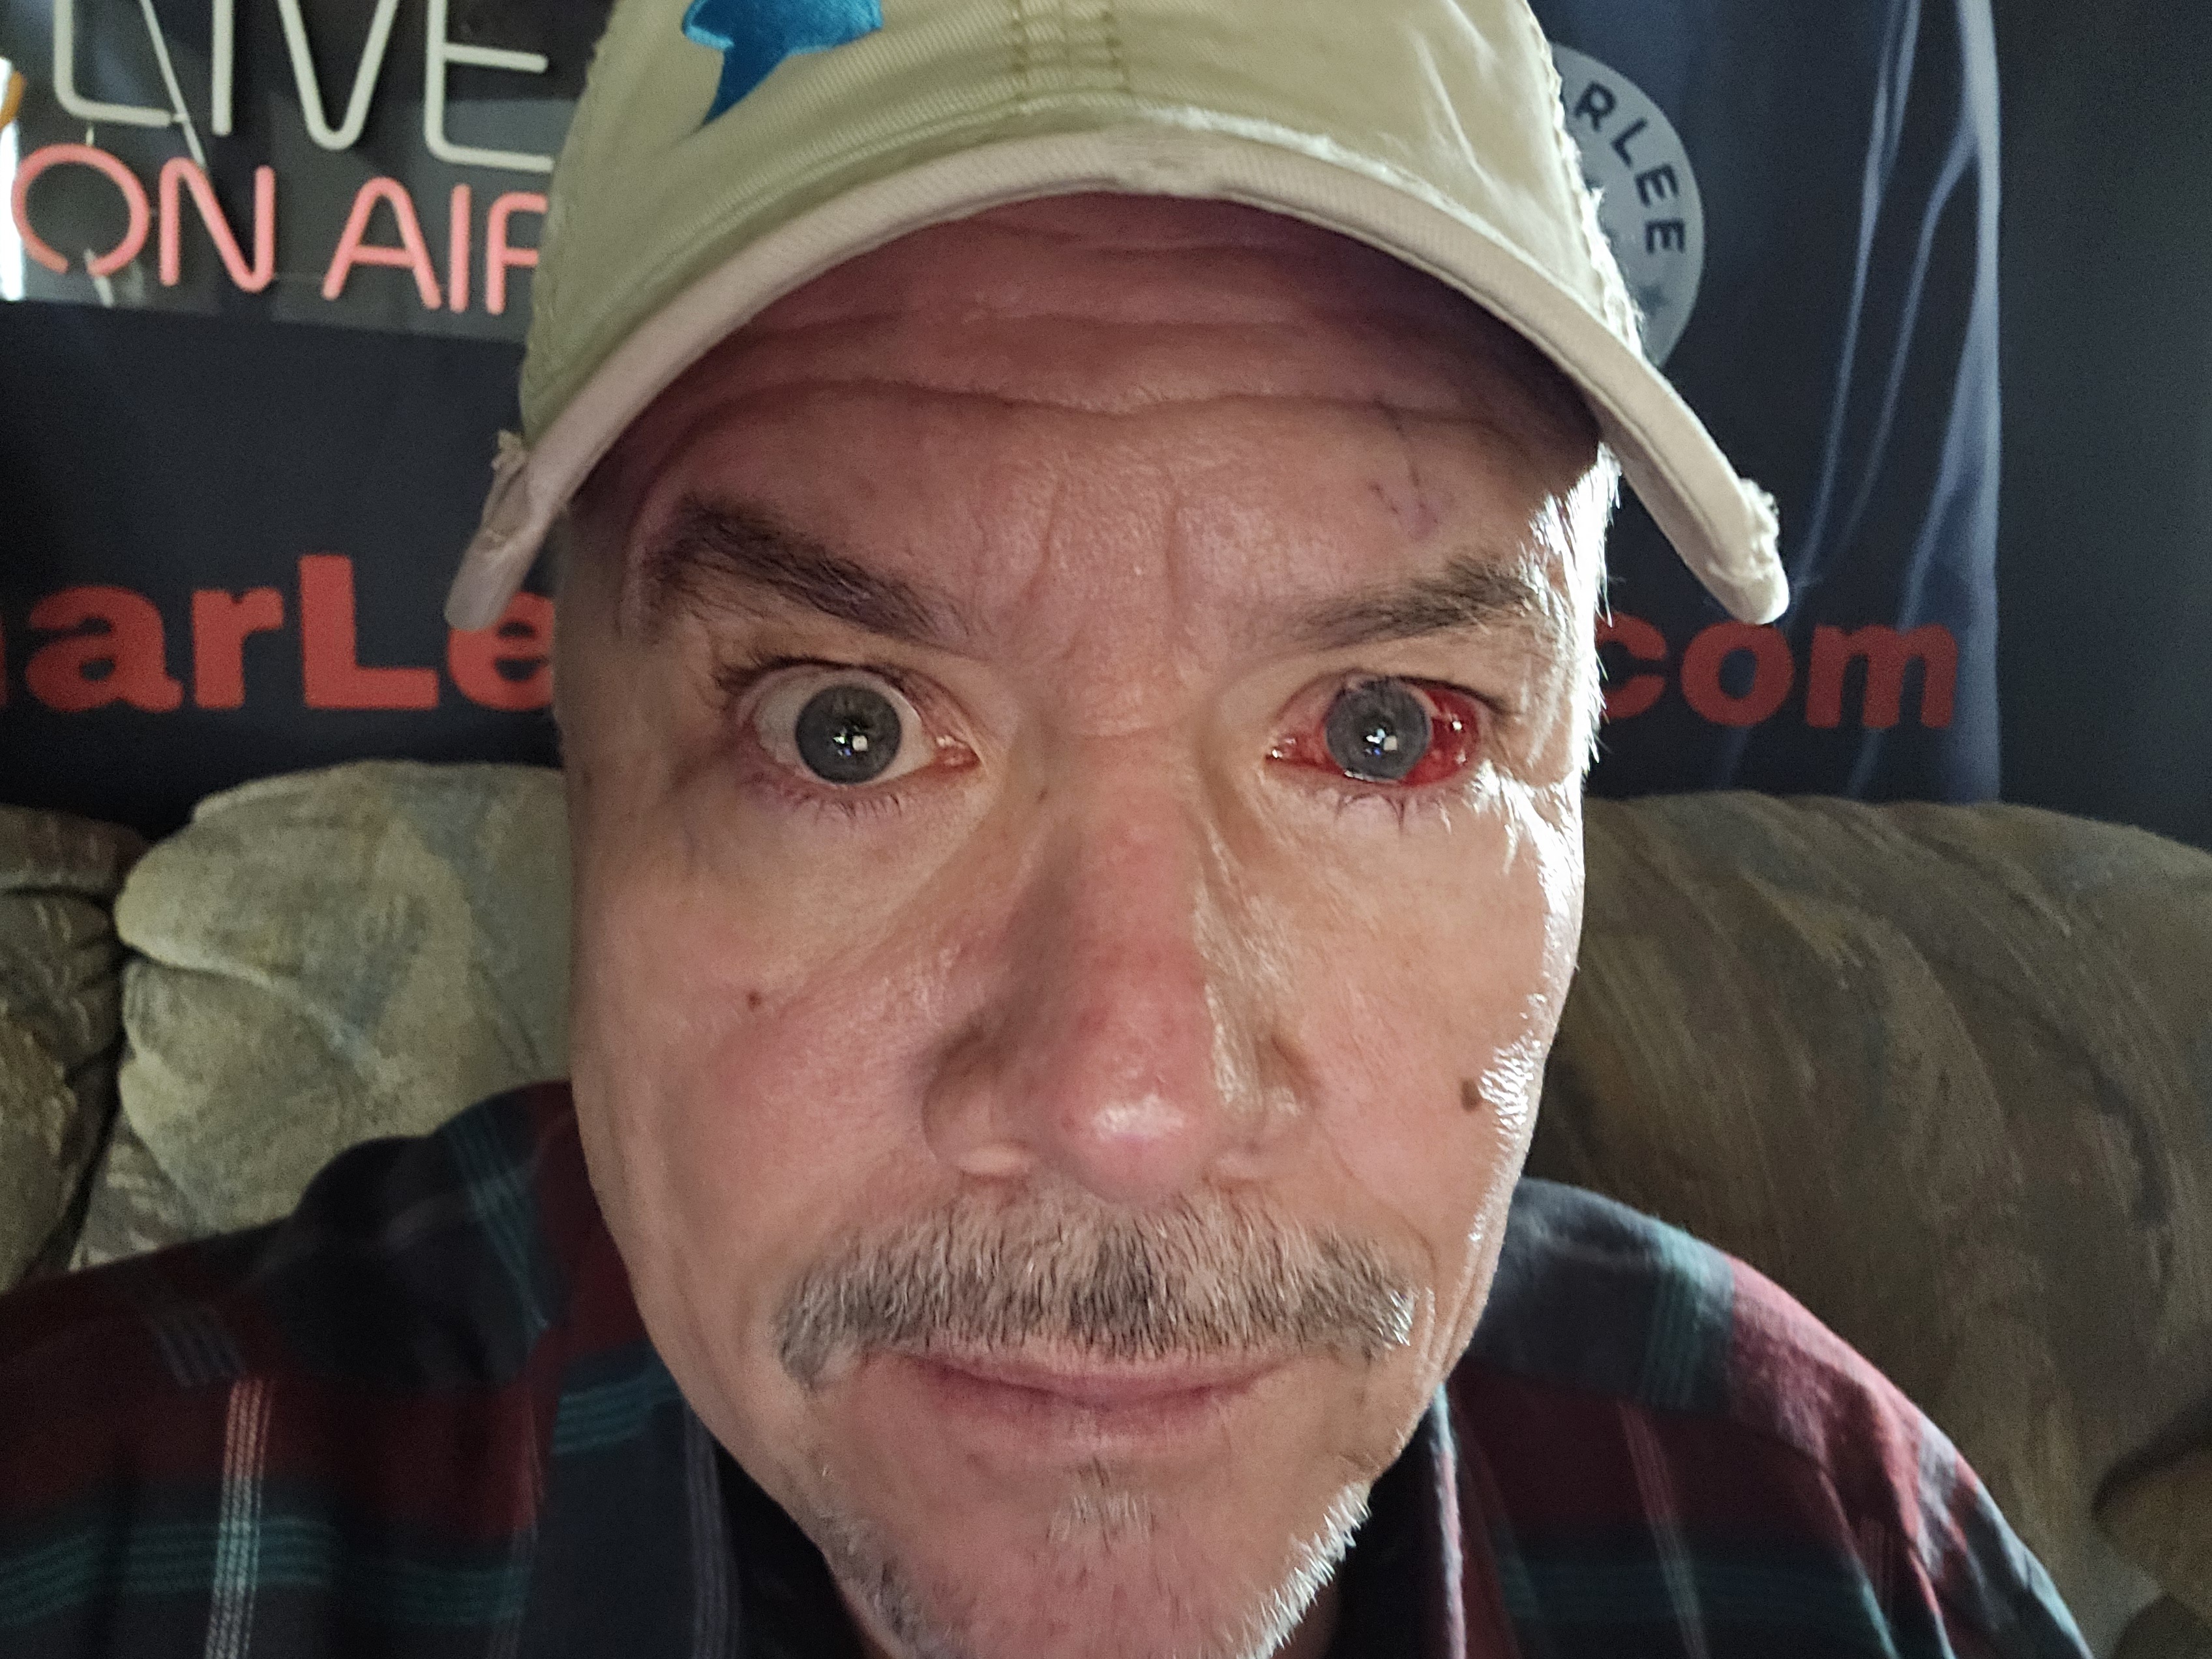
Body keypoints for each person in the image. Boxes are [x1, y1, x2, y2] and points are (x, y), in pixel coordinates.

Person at [0, 1, 2084, 1656]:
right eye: (844, 733)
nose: (1127, 1107)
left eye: (1381, 734)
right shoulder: (97, 1540)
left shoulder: (1826, 1548)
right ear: (583, 763)